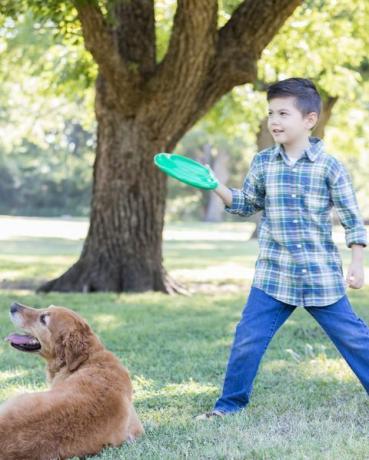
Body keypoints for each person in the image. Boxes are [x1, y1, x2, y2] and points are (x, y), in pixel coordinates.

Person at [196, 77, 369, 419]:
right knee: (248, 339)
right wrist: (215, 185)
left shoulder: (329, 166)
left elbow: (353, 219)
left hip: (320, 276)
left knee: (355, 339)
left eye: (283, 113)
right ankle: (228, 406)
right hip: (274, 276)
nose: (274, 120)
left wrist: (357, 262)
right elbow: (246, 203)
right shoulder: (263, 163)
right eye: (271, 113)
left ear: (309, 119)